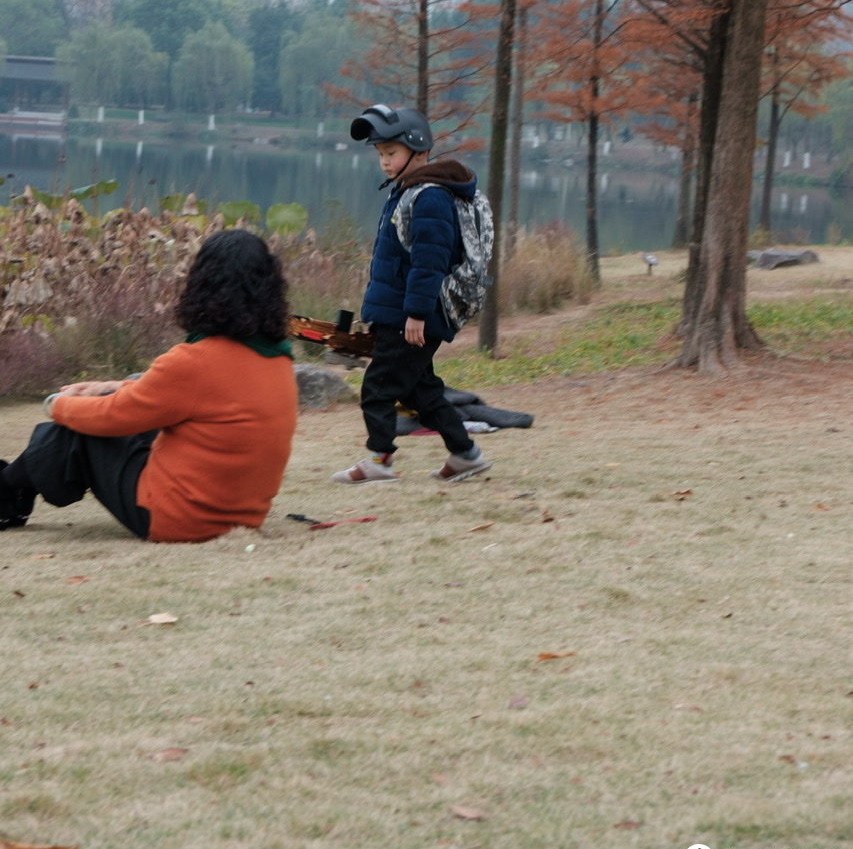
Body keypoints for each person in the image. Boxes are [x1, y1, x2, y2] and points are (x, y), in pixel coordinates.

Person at [0, 229, 297, 542]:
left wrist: (55, 404)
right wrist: (109, 387)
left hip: (177, 518)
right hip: (243, 517)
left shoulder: (194, 362)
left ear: (202, 284)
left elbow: (112, 416)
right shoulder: (278, 361)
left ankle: (6, 488)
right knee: (106, 418)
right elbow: (162, 397)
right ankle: (11, 489)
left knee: (76, 431)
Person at [332, 103, 491, 484]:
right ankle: (466, 454)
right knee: (421, 391)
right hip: (402, 313)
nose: (385, 162)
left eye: (391, 153)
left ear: (418, 150)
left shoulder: (430, 197)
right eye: (381, 155)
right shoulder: (408, 191)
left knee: (377, 387)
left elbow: (429, 262)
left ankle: (380, 461)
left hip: (415, 316)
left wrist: (416, 313)